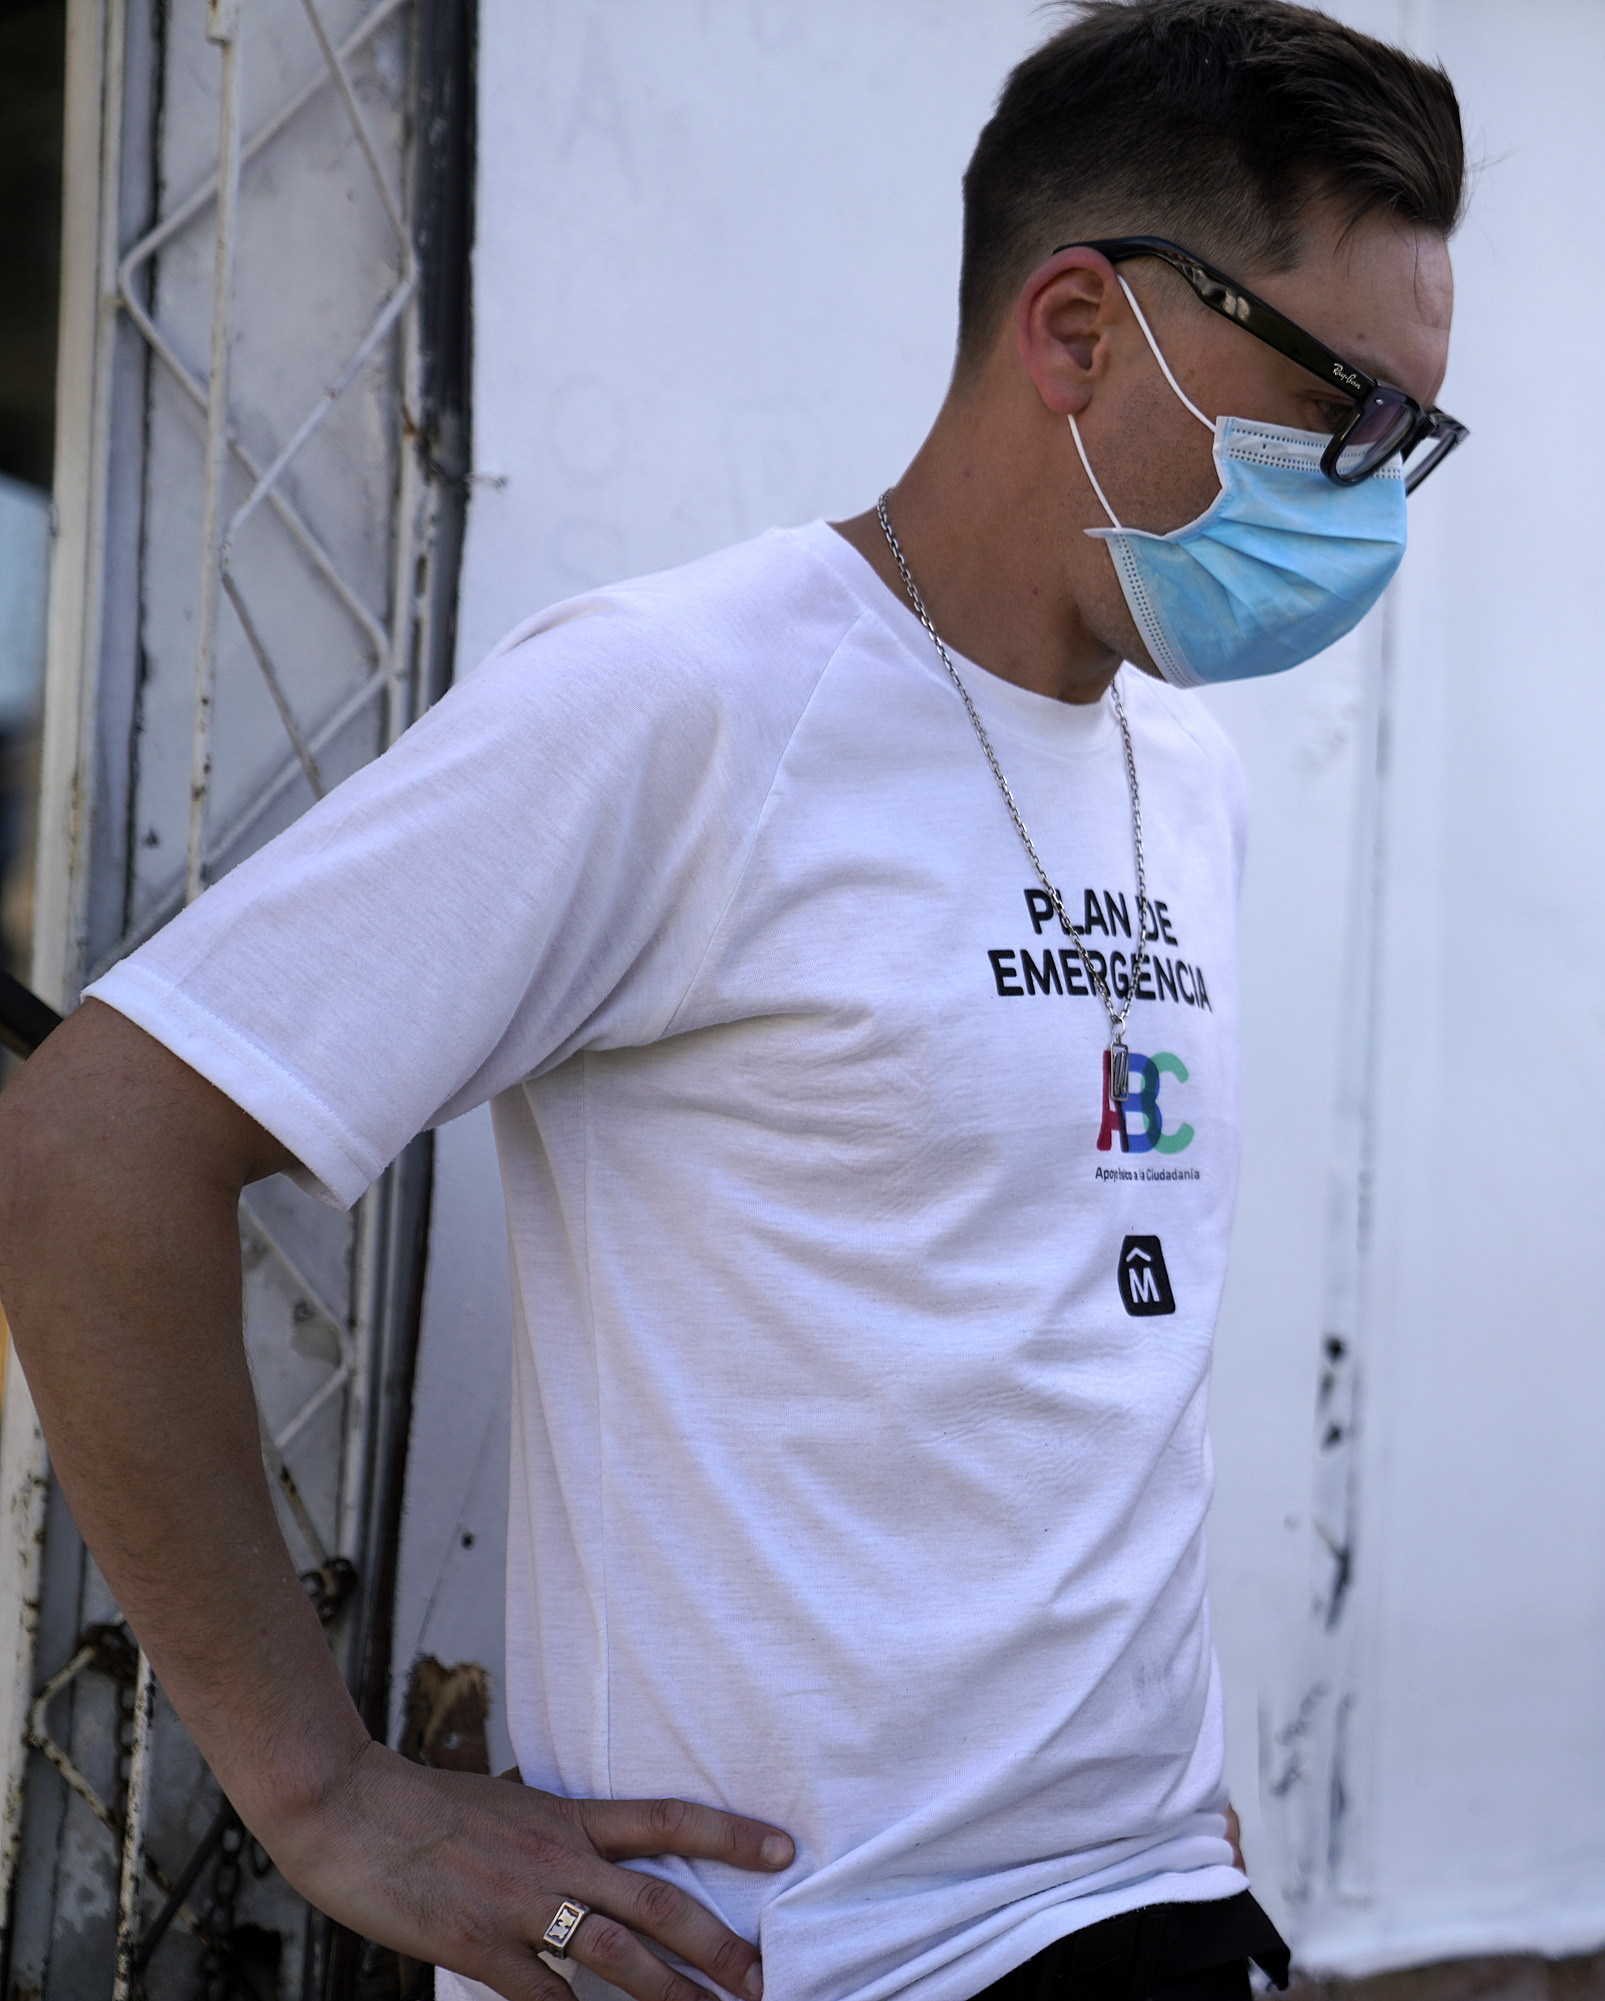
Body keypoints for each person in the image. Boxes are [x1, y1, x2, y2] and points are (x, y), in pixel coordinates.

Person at [0, 5, 1466, 2000]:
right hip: (787, 1952)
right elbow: (92, 1145)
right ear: (1077, 331)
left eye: (1414, 440)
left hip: (1143, 1908)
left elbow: (1054, 1330)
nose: (1375, 498)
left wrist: (1145, 1788)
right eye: (1345, 415)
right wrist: (321, 1790)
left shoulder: (1173, 765)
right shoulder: (684, 702)